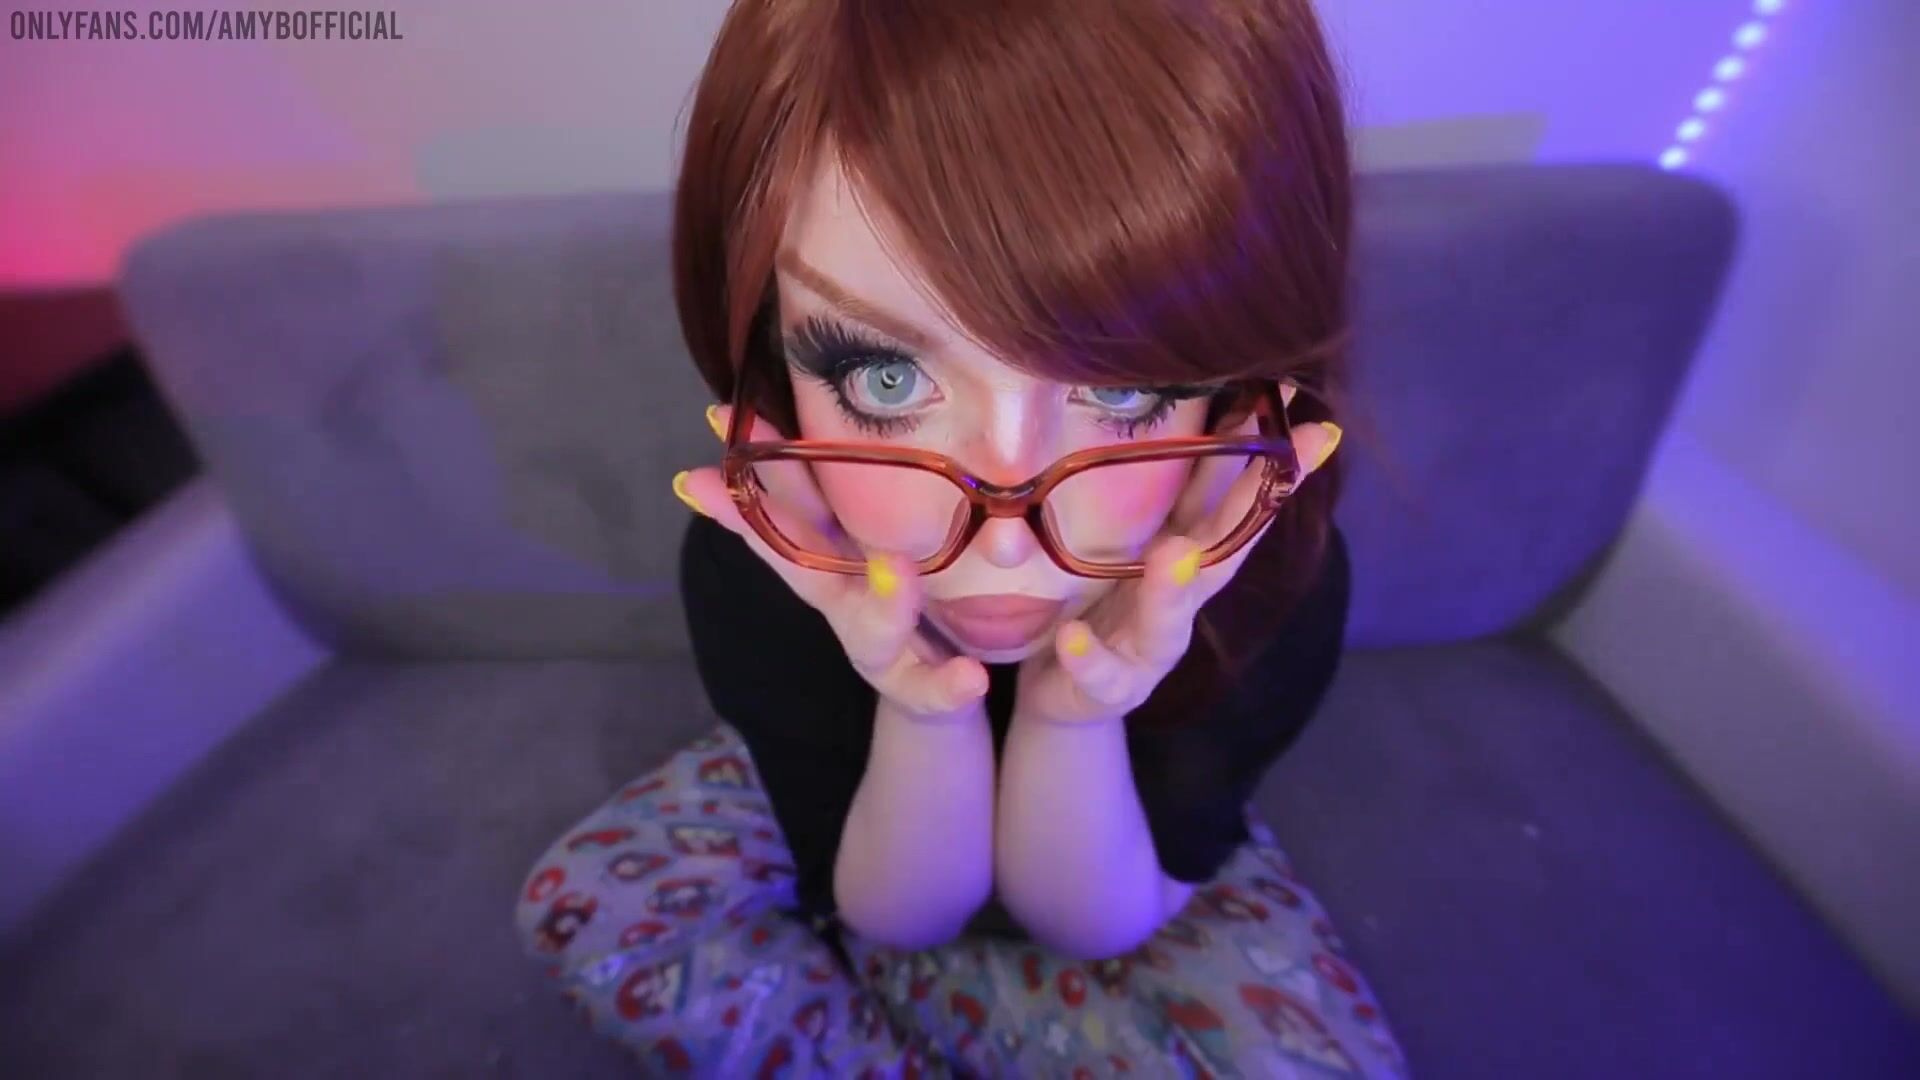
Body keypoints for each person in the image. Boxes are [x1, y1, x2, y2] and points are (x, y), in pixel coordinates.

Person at [515, 1, 1408, 1074]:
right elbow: (899, 916)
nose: (1004, 536)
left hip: (1120, 859)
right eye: (886, 379)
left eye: (1126, 388)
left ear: (1240, 385)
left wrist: (1074, 714)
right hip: (865, 820)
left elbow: (1092, 925)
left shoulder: (1272, 585)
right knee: (591, 909)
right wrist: (918, 707)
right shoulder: (761, 569)